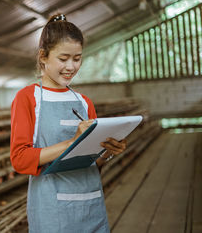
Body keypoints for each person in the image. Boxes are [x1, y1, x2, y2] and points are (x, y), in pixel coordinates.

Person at [10, 14, 127, 233]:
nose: (71, 67)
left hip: (91, 205)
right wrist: (72, 142)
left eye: (77, 58)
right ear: (43, 57)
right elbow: (19, 159)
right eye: (63, 59)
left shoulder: (84, 102)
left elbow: (92, 162)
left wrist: (108, 151)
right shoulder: (28, 98)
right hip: (52, 212)